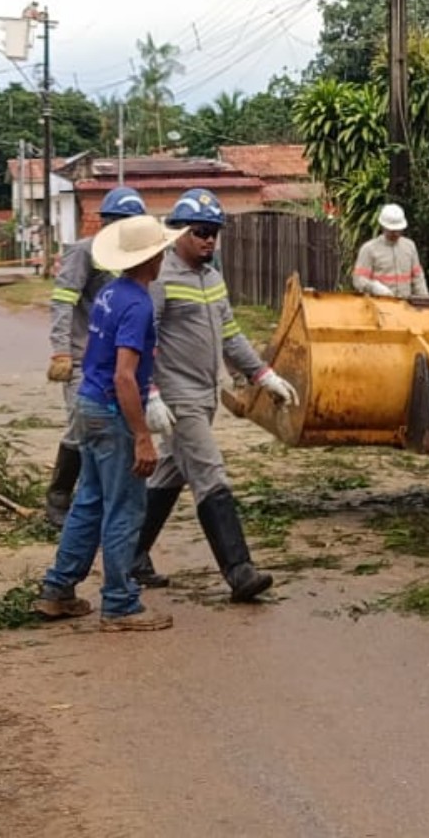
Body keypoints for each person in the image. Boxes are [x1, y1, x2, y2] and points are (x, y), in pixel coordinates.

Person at [131, 189, 300, 603]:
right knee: (210, 474)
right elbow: (143, 342)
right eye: (202, 232)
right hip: (178, 397)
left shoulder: (212, 277)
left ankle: (130, 555)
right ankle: (239, 571)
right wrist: (149, 394)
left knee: (168, 472)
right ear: (179, 233)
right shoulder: (162, 279)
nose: (209, 240)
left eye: (215, 233)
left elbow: (230, 335)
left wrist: (263, 374)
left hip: (205, 394)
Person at [34, 213, 178, 632]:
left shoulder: (111, 293)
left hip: (88, 404)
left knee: (89, 502)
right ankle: (119, 602)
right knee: (125, 508)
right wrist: (142, 436)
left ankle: (59, 588)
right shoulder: (138, 305)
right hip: (113, 411)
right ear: (156, 256)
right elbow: (124, 375)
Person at [44, 185, 148, 528]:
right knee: (80, 425)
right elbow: (63, 301)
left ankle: (100, 496)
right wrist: (60, 350)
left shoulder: (136, 258)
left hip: (115, 358)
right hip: (80, 356)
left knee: (114, 429)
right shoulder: (85, 253)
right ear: (105, 224)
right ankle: (59, 495)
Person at [352, 203, 429, 299]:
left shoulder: (409, 246)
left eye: (398, 229)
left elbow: (418, 278)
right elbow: (359, 280)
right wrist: (373, 287)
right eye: (392, 230)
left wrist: (425, 300)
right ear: (383, 226)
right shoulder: (369, 249)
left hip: (405, 306)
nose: (396, 233)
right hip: (380, 306)